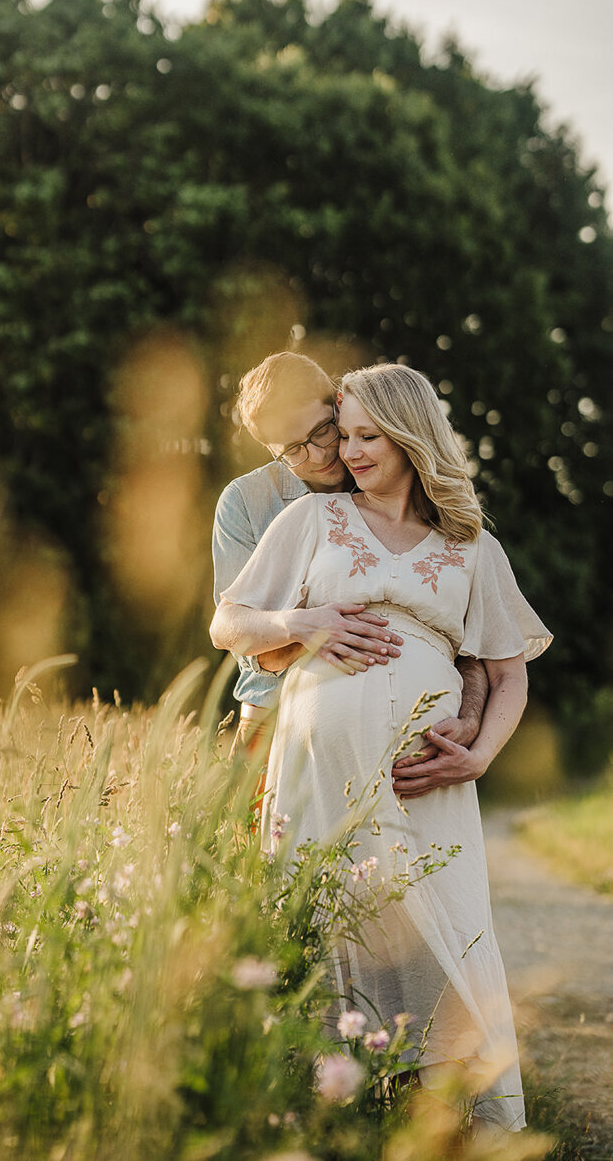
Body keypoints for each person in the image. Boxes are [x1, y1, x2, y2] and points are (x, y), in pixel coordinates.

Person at [210, 363, 551, 1131]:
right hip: (314, 762)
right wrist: (298, 625)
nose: (348, 452)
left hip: (425, 779)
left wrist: (482, 752)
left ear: (407, 434)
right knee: (328, 917)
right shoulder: (307, 522)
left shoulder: (468, 545)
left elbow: (506, 674)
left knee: (441, 927)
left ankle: (452, 1124)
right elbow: (227, 623)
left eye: (363, 435)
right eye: (345, 435)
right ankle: (323, 1117)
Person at [212, 352, 488, 778]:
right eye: (291, 450)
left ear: (338, 403)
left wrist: (470, 719)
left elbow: (468, 642)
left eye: (323, 431)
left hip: (400, 740)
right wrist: (302, 626)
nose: (319, 455)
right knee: (256, 844)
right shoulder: (246, 502)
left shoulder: (418, 498)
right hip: (272, 718)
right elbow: (236, 634)